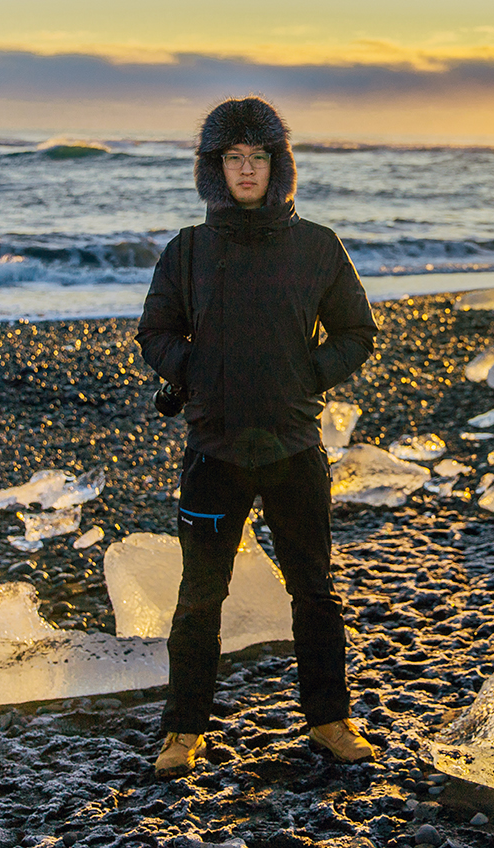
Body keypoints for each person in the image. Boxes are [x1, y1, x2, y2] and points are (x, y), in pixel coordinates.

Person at [137, 96, 379, 778]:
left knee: (315, 590)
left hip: (295, 450)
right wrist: (196, 372)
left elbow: (357, 331)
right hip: (214, 453)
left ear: (279, 165)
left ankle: (330, 721)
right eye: (234, 159)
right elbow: (154, 333)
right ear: (214, 170)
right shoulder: (188, 250)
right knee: (198, 597)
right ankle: (184, 733)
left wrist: (309, 375)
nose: (247, 171)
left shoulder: (317, 247)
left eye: (259, 157)